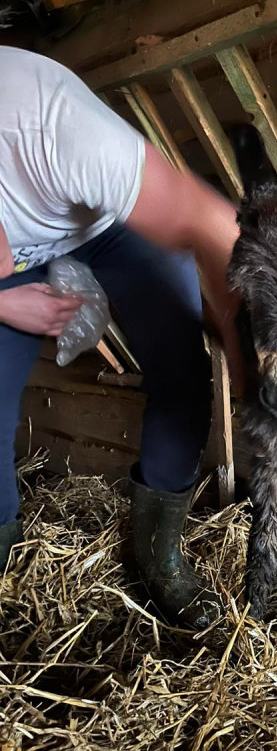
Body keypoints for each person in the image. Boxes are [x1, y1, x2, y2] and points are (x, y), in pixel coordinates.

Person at [0, 45, 243, 630]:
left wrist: (252, 355)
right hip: (18, 255)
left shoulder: (45, 118)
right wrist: (5, 301)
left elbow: (207, 223)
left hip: (104, 224)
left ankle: (160, 553)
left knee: (180, 369)